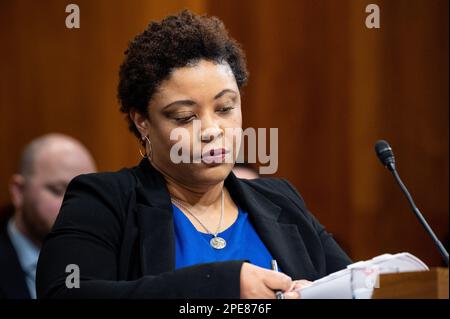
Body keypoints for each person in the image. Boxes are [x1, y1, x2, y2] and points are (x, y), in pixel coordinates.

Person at [36, 10, 351, 299]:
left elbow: (357, 286)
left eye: (225, 108)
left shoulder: (281, 199)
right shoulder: (104, 201)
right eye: (185, 116)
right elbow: (65, 294)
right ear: (142, 121)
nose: (211, 130)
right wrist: (221, 285)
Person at [0, 134, 96, 299]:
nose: (77, 207)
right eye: (58, 190)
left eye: (87, 193)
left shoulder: (106, 259)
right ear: (19, 191)